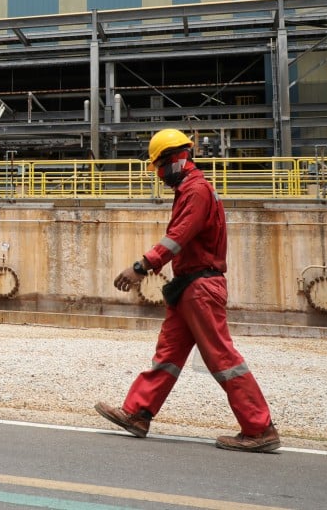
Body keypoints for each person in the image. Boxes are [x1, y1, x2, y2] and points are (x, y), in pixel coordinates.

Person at [94, 129, 280, 453]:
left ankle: (259, 427)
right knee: (167, 355)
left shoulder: (196, 191)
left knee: (223, 359)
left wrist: (140, 267)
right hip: (188, 288)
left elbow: (178, 237)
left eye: (160, 166)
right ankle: (138, 412)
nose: (160, 174)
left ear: (176, 159)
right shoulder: (188, 190)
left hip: (200, 288)